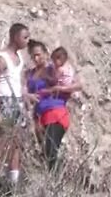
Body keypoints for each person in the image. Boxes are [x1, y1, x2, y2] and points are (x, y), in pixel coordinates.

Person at [25, 42, 82, 173]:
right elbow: (22, 91)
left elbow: (79, 85)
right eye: (33, 56)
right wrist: (29, 96)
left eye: (38, 55)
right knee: (46, 152)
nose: (36, 59)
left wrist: (58, 88)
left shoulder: (55, 68)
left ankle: (55, 184)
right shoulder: (29, 74)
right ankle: (53, 183)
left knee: (51, 148)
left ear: (46, 54)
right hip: (40, 117)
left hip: (56, 113)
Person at [0, 23, 31, 188]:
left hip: (17, 102)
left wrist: (25, 99)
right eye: (25, 37)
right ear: (15, 37)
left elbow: (21, 82)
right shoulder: (2, 59)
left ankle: (13, 183)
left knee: (16, 143)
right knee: (2, 141)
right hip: (5, 100)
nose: (27, 41)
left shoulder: (19, 58)